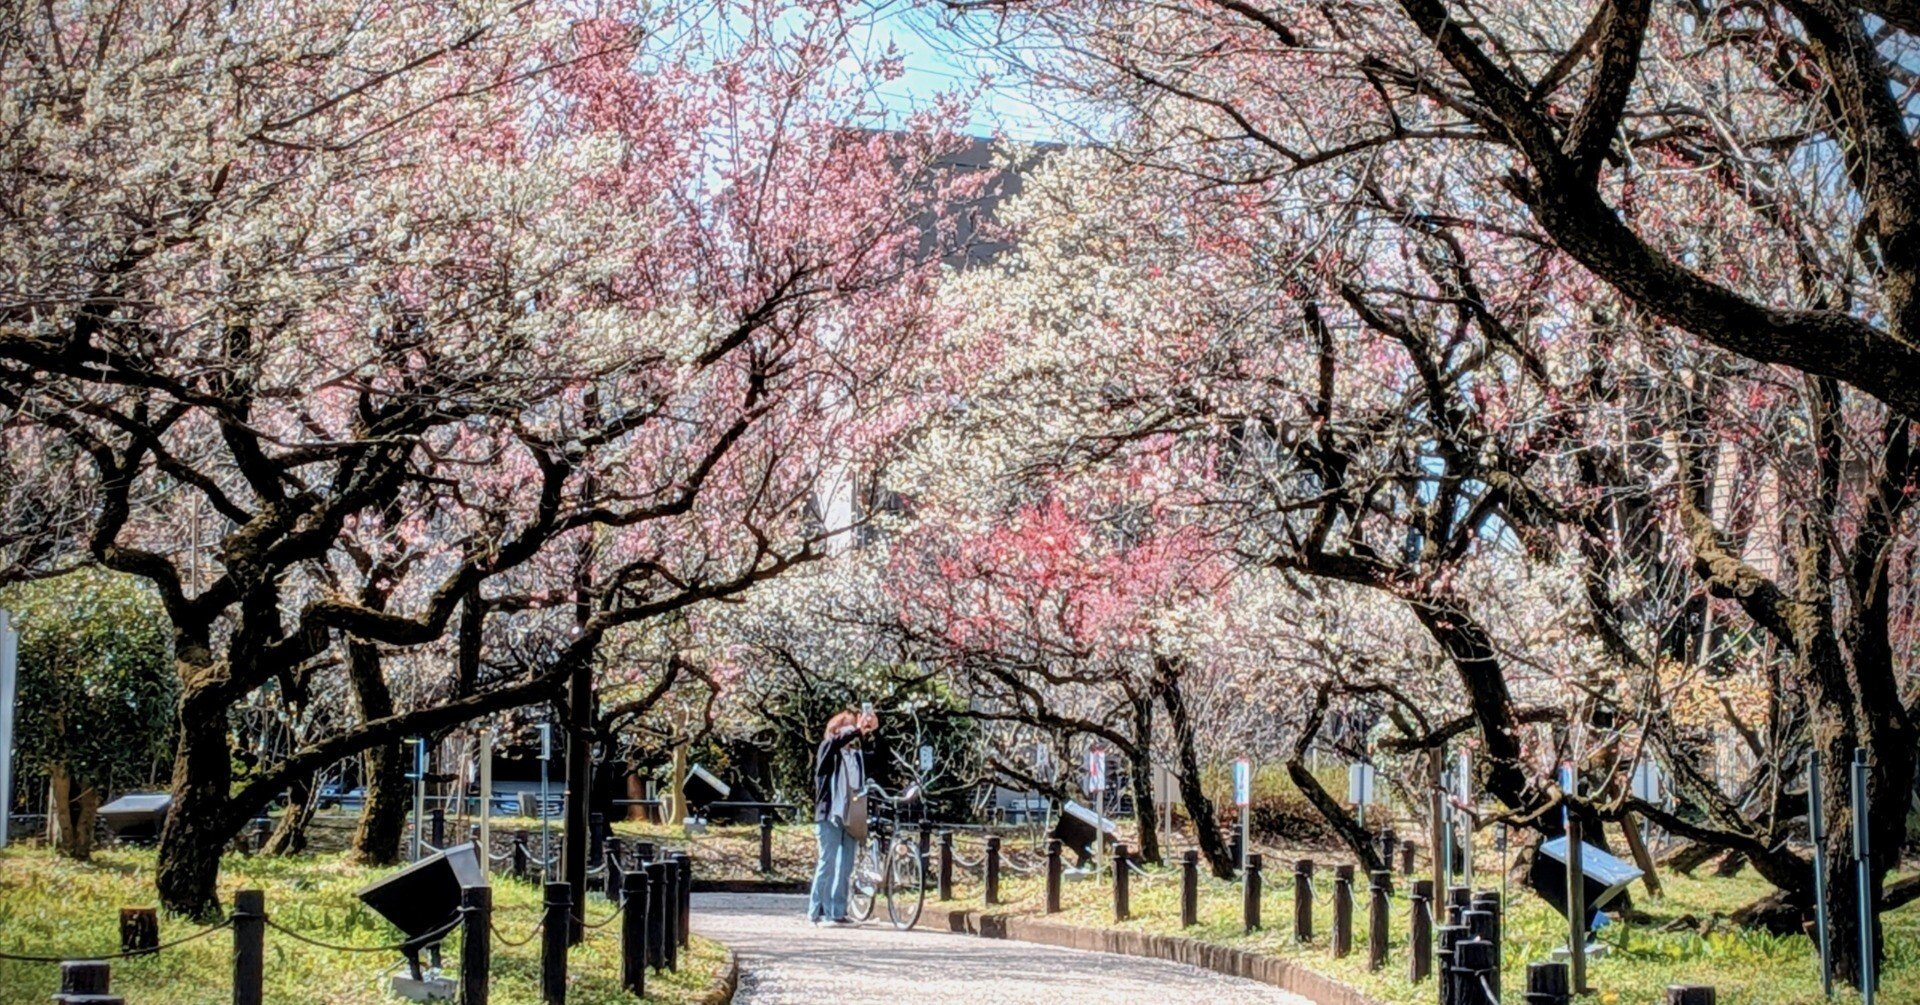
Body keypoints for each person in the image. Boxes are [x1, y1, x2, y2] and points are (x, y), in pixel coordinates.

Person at [809, 706, 877, 925]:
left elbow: (879, 759)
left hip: (851, 816)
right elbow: (835, 743)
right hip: (830, 814)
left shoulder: (855, 757)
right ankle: (818, 912)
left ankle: (838, 912)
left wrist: (873, 731)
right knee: (827, 863)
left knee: (845, 866)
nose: (851, 732)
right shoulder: (827, 749)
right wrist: (857, 729)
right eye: (846, 728)